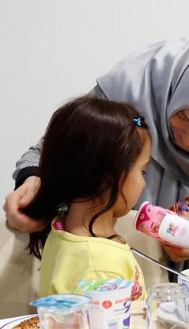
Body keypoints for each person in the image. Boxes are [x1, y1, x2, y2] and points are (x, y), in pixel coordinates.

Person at [4, 17, 189, 279]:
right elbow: (54, 151)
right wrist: (33, 182)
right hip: (111, 264)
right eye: (180, 118)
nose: (188, 142)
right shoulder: (138, 84)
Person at [23, 96, 150, 300]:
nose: (144, 183)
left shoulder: (61, 228)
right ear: (110, 177)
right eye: (143, 170)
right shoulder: (99, 266)